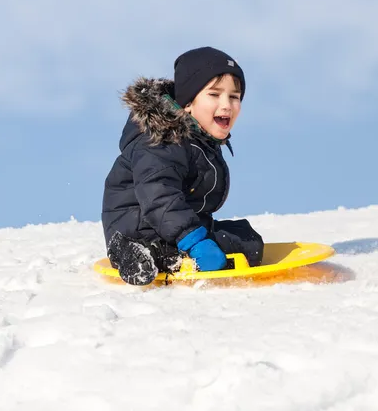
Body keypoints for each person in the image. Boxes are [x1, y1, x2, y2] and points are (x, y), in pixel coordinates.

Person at [101, 46, 264, 285]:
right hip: (139, 226)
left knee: (246, 240)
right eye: (215, 94)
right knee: (182, 250)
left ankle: (173, 252)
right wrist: (194, 241)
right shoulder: (162, 140)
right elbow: (159, 196)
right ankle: (134, 254)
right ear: (188, 103)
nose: (227, 104)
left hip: (170, 226)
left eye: (234, 96)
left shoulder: (199, 142)